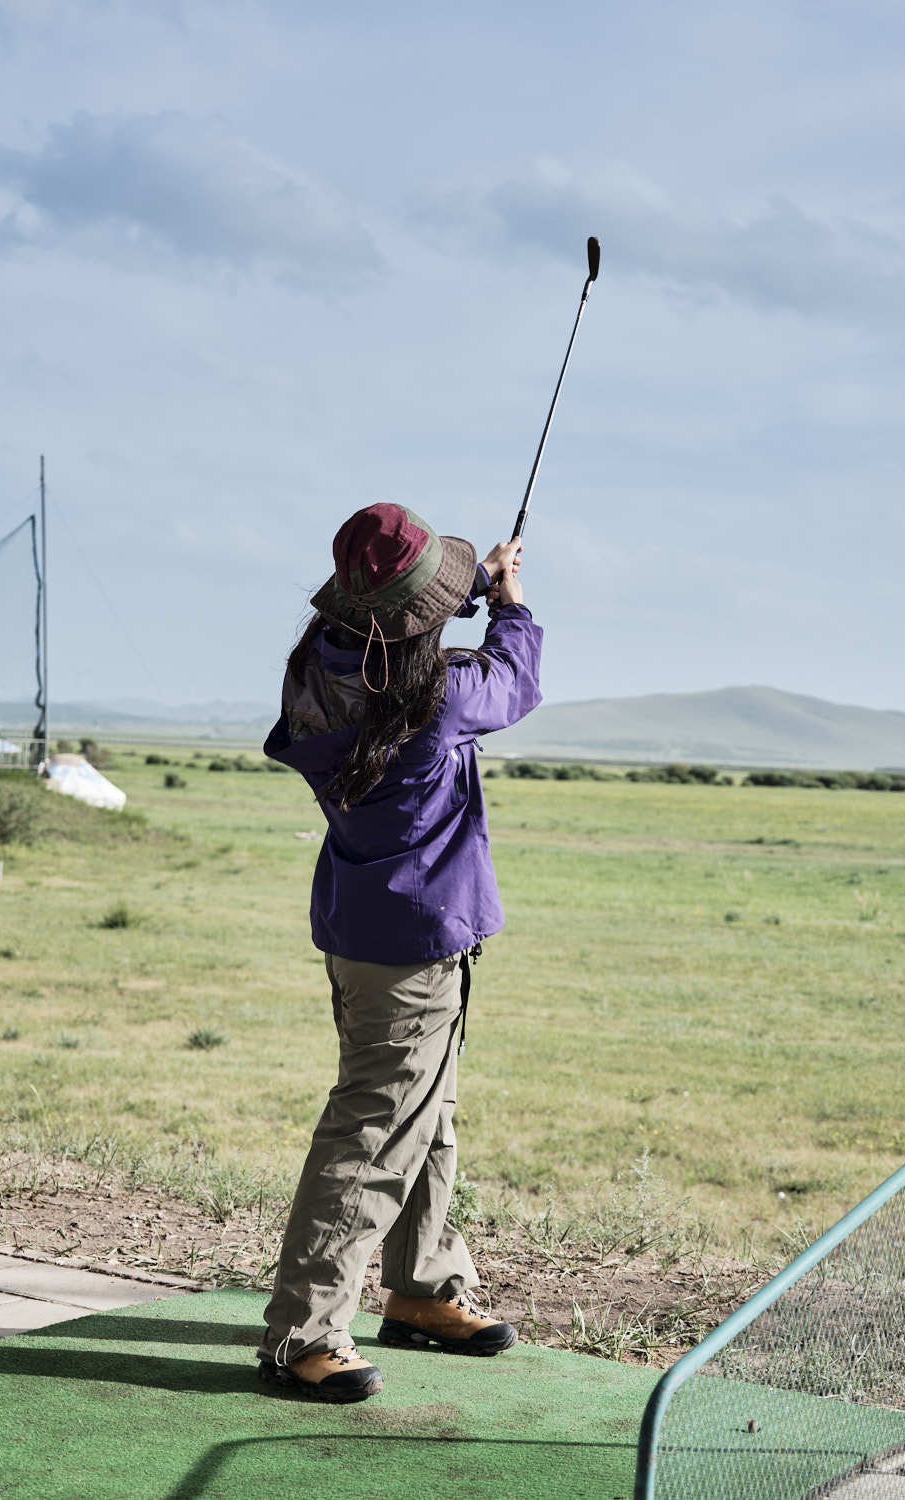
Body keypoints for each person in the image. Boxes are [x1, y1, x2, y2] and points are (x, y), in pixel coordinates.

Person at [256, 502, 542, 1402]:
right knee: (373, 1133)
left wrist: (454, 604)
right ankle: (303, 1335)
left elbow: (386, 647)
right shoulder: (442, 696)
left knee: (428, 1117)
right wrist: (508, 603)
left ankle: (422, 1287)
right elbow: (514, 680)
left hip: (359, 934)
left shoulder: (316, 670)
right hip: (413, 949)